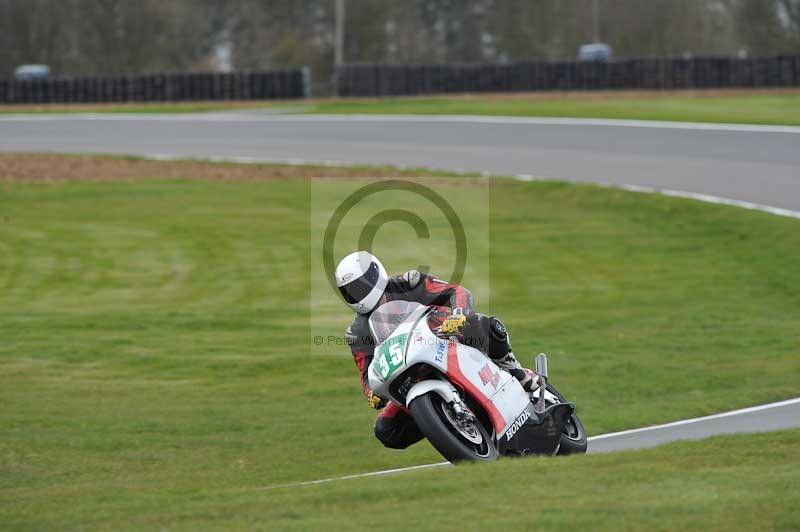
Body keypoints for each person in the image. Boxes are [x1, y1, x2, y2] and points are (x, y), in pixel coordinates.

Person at [335, 250, 539, 450]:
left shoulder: (408, 283)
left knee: (485, 327)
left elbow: (456, 291)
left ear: (375, 274)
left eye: (361, 286)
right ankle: (442, 422)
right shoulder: (356, 333)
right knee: (386, 429)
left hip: (442, 334)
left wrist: (459, 315)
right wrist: (371, 393)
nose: (357, 294)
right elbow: (366, 372)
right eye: (350, 291)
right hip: (406, 370)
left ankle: (516, 371)